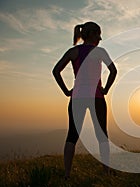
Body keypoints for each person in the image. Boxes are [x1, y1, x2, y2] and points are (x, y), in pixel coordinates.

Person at [52, 22, 117, 179]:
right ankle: (106, 172)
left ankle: (67, 174)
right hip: (96, 97)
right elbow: (113, 70)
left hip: (77, 98)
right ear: (92, 34)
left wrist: (67, 91)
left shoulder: (73, 52)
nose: (100, 38)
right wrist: (106, 89)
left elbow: (56, 71)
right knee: (102, 135)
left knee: (72, 136)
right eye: (98, 34)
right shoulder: (100, 52)